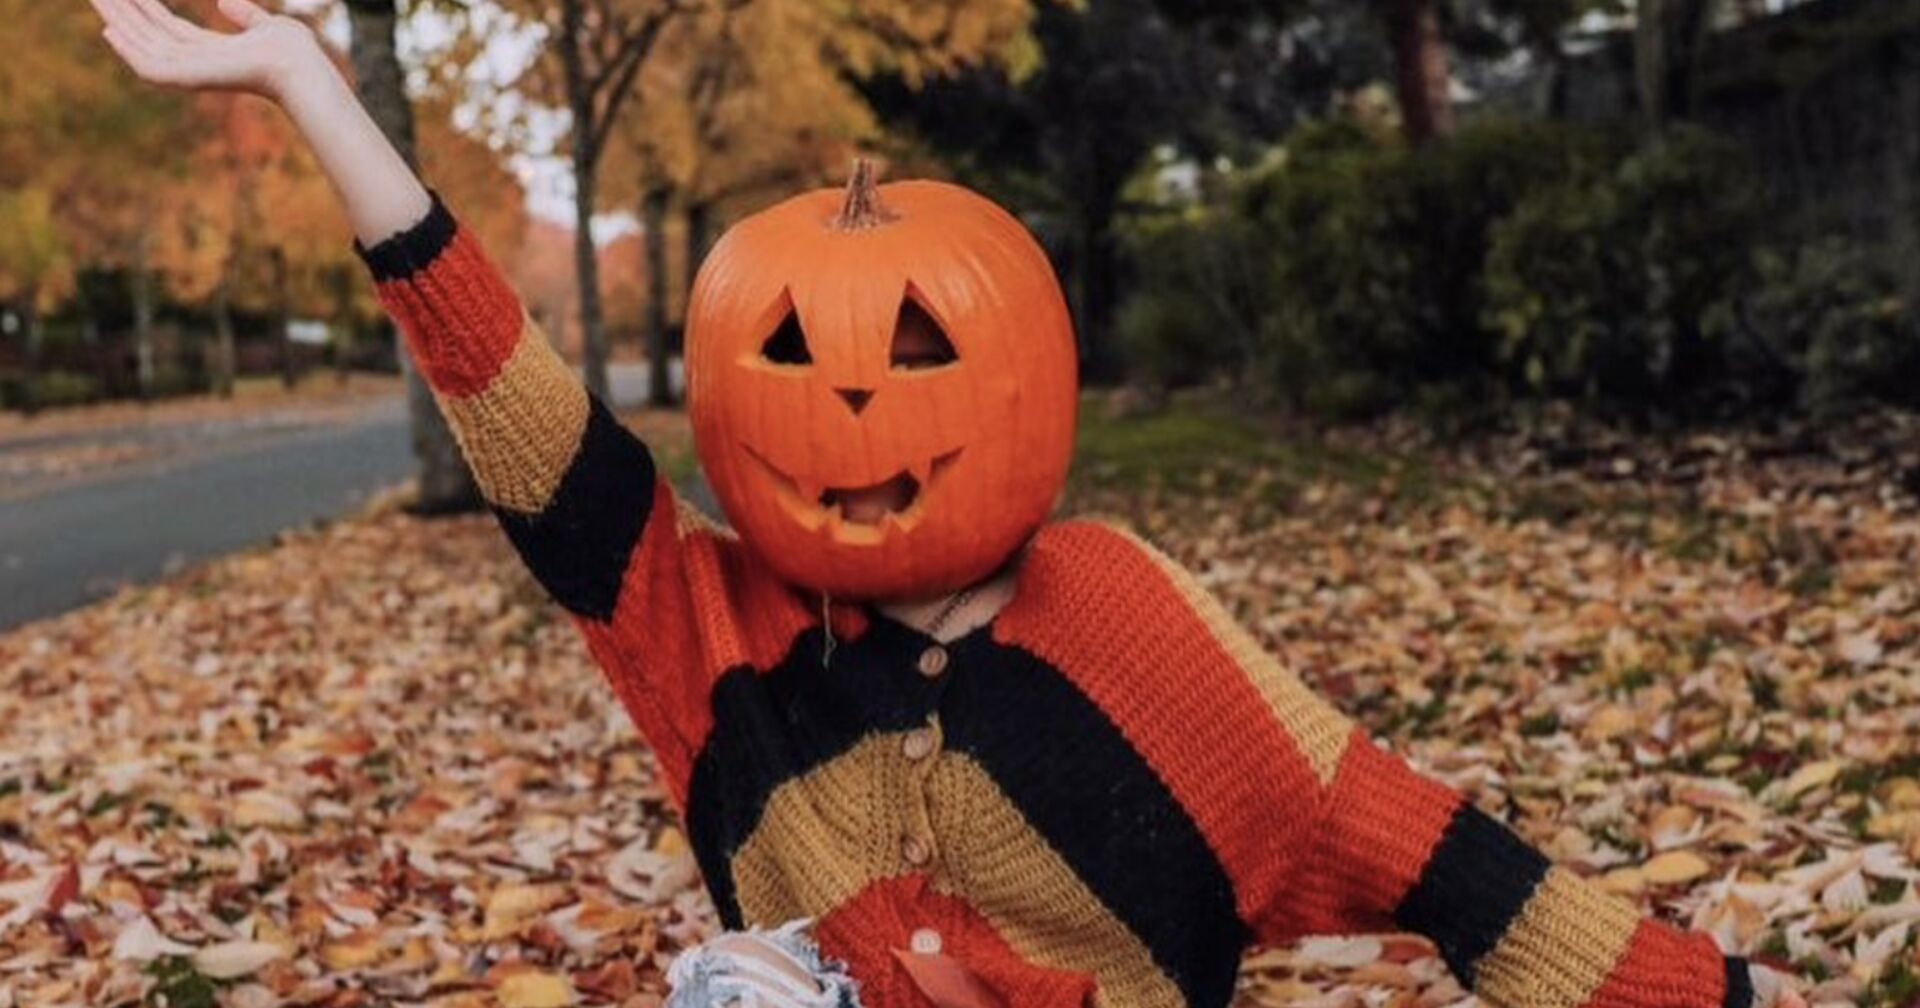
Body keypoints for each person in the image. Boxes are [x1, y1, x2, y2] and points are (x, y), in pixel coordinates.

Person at [87, 3, 1807, 1007]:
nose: (847, 395)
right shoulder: (714, 638)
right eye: (787, 351)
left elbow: (1451, 868)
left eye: (915, 345)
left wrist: (1713, 995)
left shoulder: (1131, 629)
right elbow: (511, 393)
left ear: (1020, 371)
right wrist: (313, 83)